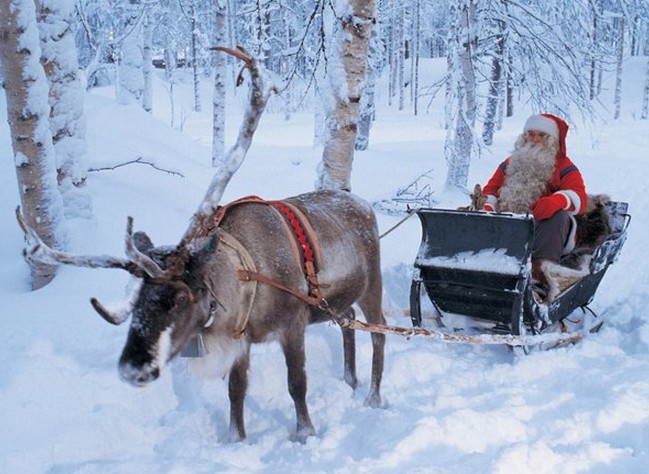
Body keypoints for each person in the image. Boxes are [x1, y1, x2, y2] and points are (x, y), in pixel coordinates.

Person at [480, 113, 587, 299]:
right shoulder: (510, 163)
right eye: (531, 134)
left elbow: (579, 197)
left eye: (542, 135)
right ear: (524, 136)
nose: (535, 139)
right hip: (511, 224)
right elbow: (491, 190)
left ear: (552, 140)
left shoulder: (563, 165)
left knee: (558, 216)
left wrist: (557, 200)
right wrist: (488, 204)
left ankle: (540, 279)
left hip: (545, 229)